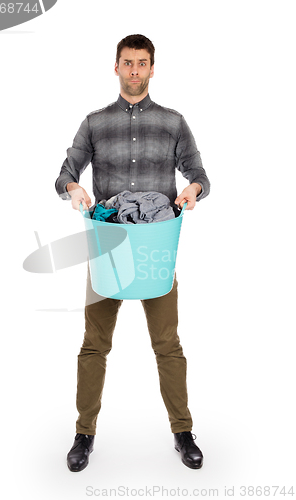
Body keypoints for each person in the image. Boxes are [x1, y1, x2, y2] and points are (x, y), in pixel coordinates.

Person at [55, 34, 210, 472]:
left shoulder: (173, 122)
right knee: (94, 344)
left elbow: (198, 171)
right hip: (109, 247)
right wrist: (73, 187)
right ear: (117, 67)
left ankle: (183, 431)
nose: (135, 70)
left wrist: (194, 189)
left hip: (156, 249)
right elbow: (67, 170)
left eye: (143, 63)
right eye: (128, 62)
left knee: (167, 344)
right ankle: (84, 434)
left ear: (153, 68)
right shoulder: (95, 122)